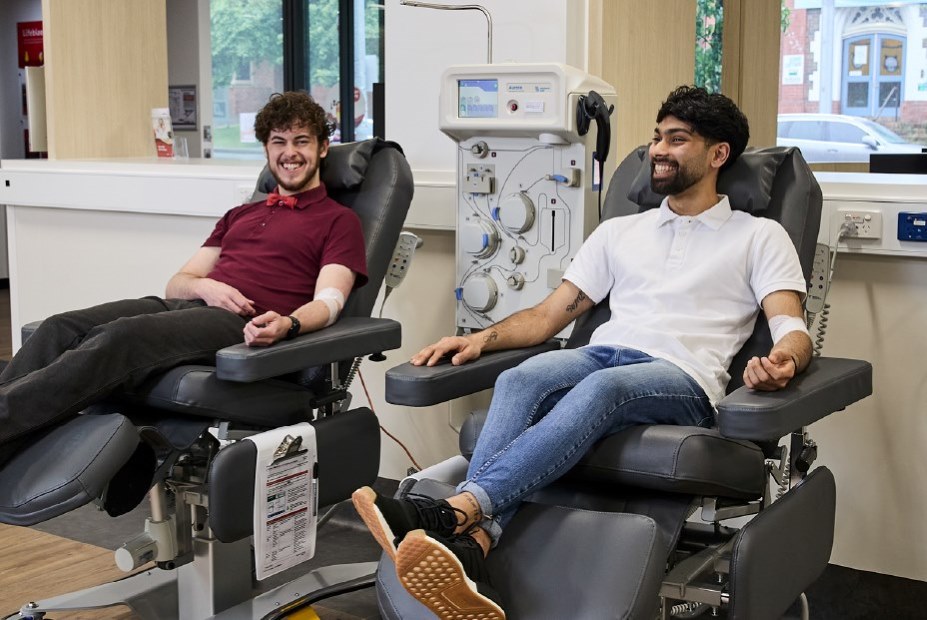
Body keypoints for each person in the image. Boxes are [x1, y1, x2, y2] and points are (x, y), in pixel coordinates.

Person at [352, 85, 812, 619]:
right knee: (522, 378)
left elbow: (790, 327)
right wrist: (481, 338)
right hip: (606, 352)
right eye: (657, 137)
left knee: (603, 390)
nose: (658, 149)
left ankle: (456, 512)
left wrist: (786, 362)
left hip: (682, 377)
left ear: (718, 154)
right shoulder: (620, 231)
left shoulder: (758, 235)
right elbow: (550, 315)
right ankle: (475, 546)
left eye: (677, 139)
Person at [0, 92, 367, 461]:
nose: (290, 153)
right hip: (186, 306)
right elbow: (178, 281)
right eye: (279, 142)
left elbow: (330, 303)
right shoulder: (241, 214)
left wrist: (288, 324)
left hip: (239, 323)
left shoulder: (338, 220)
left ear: (322, 148)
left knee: (120, 338)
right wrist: (207, 286)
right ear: (267, 150)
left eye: (302, 141)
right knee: (59, 327)